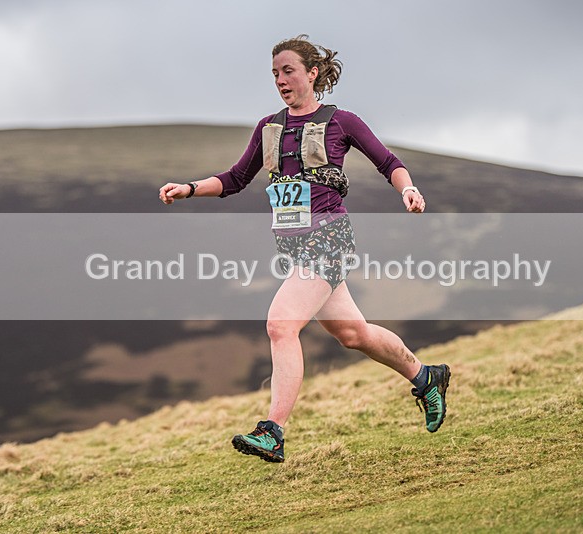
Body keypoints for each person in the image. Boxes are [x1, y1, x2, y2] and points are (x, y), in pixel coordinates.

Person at [159, 35, 450, 463]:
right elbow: (236, 178)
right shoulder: (268, 127)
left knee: (280, 325)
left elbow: (389, 163)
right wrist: (188, 188)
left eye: (288, 71)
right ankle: (426, 377)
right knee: (354, 334)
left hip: (329, 238)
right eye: (275, 73)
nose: (280, 80)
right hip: (295, 249)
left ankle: (273, 430)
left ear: (312, 73)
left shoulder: (342, 121)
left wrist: (409, 191)